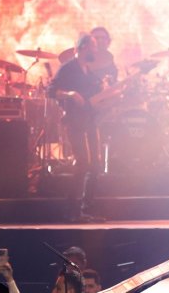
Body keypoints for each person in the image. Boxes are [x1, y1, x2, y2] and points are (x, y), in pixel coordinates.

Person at [48, 34, 104, 222]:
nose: (96, 51)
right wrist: (70, 94)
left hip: (90, 120)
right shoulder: (68, 68)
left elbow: (96, 96)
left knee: (95, 164)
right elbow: (51, 91)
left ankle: (86, 208)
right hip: (74, 120)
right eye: (93, 47)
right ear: (83, 47)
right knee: (82, 163)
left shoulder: (89, 71)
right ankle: (72, 211)